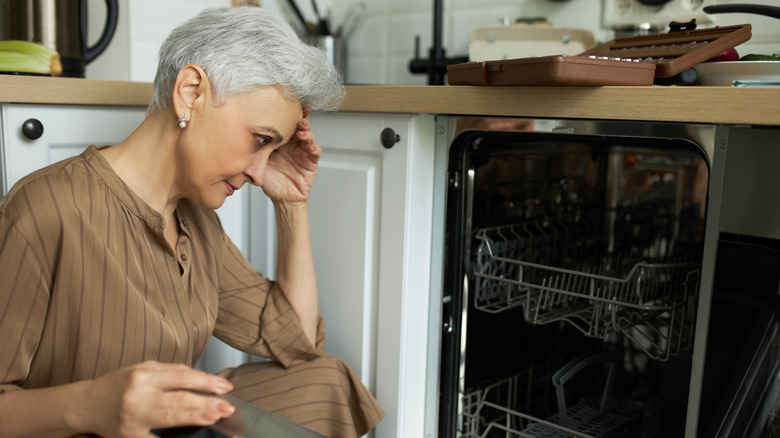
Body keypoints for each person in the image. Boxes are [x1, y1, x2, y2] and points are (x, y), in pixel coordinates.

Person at [0, 6, 383, 438]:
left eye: (272, 151)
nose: (259, 173)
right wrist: (87, 406)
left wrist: (291, 204)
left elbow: (295, 340)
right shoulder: (45, 211)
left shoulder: (197, 223)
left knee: (324, 380)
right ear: (191, 92)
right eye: (260, 140)